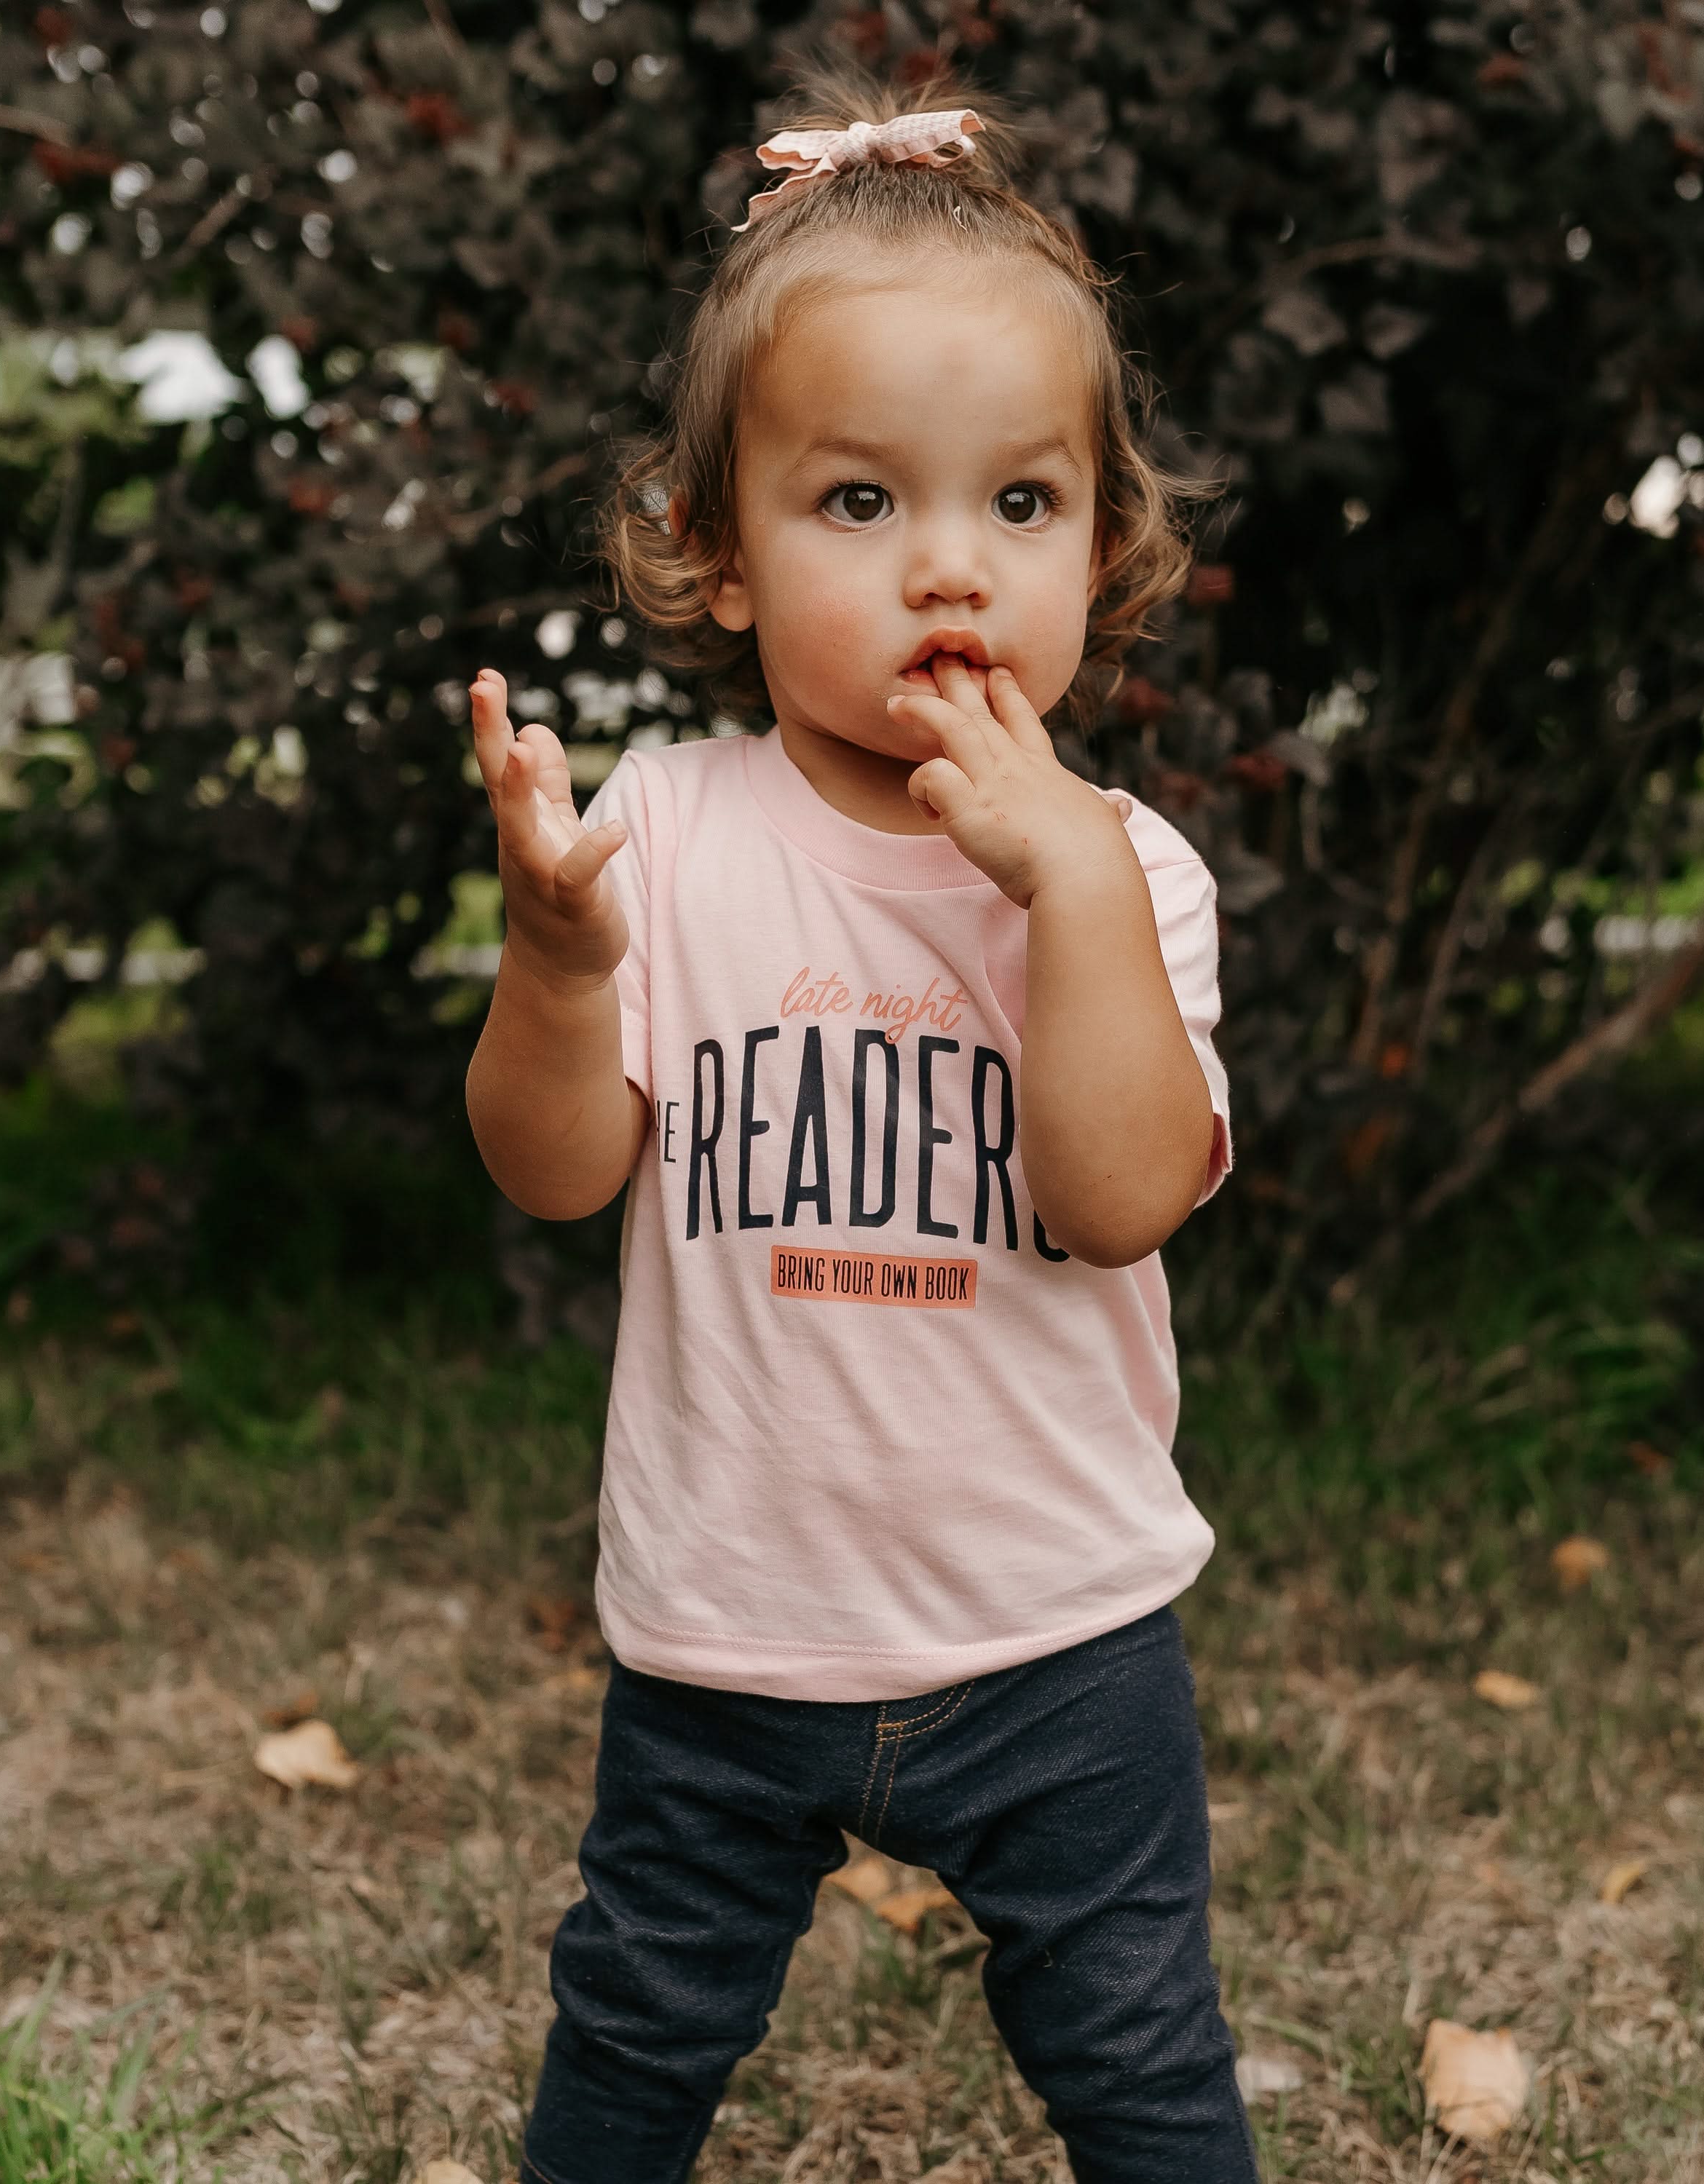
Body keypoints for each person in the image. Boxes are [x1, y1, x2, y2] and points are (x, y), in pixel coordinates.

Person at [462, 61, 1255, 2184]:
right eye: (859, 503)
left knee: (1140, 2056)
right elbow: (553, 1170)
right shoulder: (671, 832)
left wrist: (1065, 889)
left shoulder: (1132, 870)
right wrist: (558, 962)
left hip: (1057, 1632)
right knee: (635, 2026)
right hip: (729, 1623)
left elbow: (1116, 1200)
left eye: (1023, 506)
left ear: (1107, 545)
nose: (950, 571)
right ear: (716, 554)